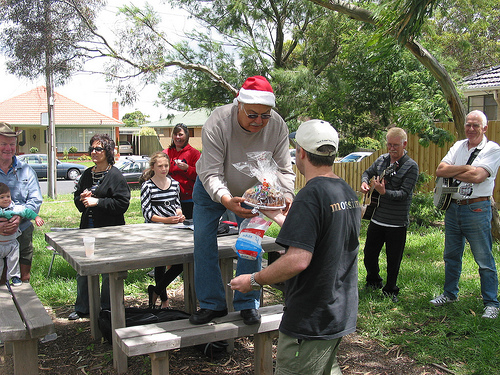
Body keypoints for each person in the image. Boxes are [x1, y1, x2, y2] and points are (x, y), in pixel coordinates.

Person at [230, 119, 360, 375]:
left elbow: (298, 259)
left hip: (310, 318)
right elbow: (319, 233)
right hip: (338, 311)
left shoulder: (310, 195)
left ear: (300, 153)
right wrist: (276, 215)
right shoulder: (344, 191)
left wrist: (254, 280)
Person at [190, 75, 295, 326]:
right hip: (211, 189)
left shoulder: (277, 125)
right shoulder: (218, 121)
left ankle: (248, 302)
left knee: (251, 243)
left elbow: (284, 169)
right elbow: (211, 172)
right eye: (252, 115)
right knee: (204, 243)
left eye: (265, 115)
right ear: (239, 105)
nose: (259, 121)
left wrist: (287, 195)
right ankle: (211, 304)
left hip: (254, 192)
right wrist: (225, 199)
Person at [430, 110, 500, 319]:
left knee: (483, 258)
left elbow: (478, 176)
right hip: (454, 207)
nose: (470, 128)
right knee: (451, 255)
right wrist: (466, 168)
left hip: (477, 209)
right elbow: (441, 170)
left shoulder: (492, 149)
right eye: (468, 124)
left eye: (475, 125)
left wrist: (457, 169)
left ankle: (491, 303)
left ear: (484, 128)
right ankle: (449, 294)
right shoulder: (458, 146)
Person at [69, 134, 131, 320]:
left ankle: (107, 308)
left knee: (108, 272)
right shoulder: (87, 174)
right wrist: (81, 199)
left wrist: (98, 202)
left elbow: (122, 204)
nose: (94, 152)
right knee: (84, 270)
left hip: (110, 231)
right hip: (88, 231)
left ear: (108, 152)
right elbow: (79, 202)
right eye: (92, 149)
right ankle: (83, 307)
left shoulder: (115, 175)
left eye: (98, 149)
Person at [360, 127, 418, 302]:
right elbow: (367, 173)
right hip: (377, 218)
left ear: (404, 144)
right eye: (389, 145)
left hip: (397, 222)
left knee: (393, 260)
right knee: (369, 254)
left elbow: (403, 194)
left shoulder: (411, 166)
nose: (392, 149)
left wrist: (384, 192)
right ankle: (373, 281)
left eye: (396, 145)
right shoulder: (382, 160)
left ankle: (391, 289)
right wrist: (364, 183)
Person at [140, 151, 185, 309]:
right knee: (159, 265)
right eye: (160, 166)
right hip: (155, 232)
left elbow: (177, 204)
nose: (164, 168)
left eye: (166, 165)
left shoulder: (174, 183)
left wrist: (179, 214)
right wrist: (166, 220)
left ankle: (156, 291)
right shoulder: (147, 186)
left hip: (174, 230)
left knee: (180, 263)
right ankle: (164, 300)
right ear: (153, 167)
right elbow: (147, 213)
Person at [0, 122, 43, 284]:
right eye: (3, 144)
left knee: (23, 279)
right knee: (1, 280)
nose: (8, 148)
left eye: (12, 144)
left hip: (22, 231)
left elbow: (35, 200)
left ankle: (23, 307)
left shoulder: (26, 170)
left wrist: (18, 218)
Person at [0, 182, 44, 286]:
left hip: (12, 243)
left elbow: (27, 212)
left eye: (8, 196)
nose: (6, 199)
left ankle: (15, 277)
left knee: (13, 260)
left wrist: (36, 217)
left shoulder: (15, 208)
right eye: (2, 197)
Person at [163, 123, 201, 220]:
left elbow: (201, 175)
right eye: (175, 134)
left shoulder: (194, 153)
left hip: (188, 199)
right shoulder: (166, 153)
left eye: (180, 134)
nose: (177, 137)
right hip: (169, 199)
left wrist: (188, 169)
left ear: (187, 136)